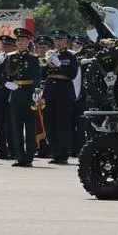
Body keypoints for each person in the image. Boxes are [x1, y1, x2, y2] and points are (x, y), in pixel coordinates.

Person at [4, 27, 42, 167]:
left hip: (28, 93)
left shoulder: (33, 58)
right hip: (15, 94)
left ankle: (29, 157)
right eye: (18, 40)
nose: (20, 42)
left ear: (28, 42)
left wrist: (36, 92)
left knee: (30, 127)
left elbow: (37, 77)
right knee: (16, 127)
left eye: (23, 40)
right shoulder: (10, 57)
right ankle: (20, 157)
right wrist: (6, 83)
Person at [41, 29, 79, 165]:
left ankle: (63, 154)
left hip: (64, 91)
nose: (57, 42)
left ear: (66, 41)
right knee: (50, 123)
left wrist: (58, 64)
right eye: (56, 40)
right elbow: (43, 73)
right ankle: (54, 152)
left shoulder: (71, 56)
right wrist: (45, 62)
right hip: (50, 90)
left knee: (63, 124)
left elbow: (72, 74)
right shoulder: (51, 54)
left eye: (60, 40)